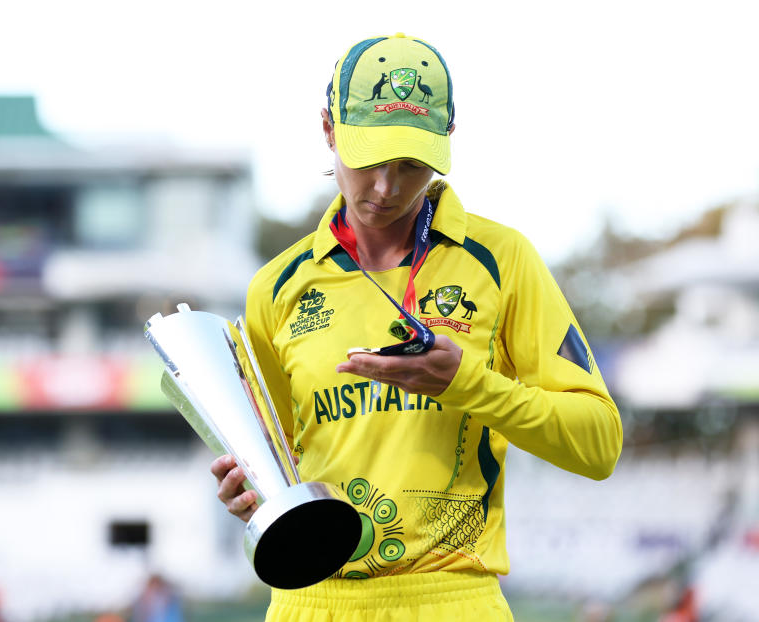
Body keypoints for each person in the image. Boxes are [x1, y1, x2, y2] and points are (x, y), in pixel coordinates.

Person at [211, 32, 622, 621]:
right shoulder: (274, 289)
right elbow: (277, 471)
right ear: (328, 129)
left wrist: (468, 384)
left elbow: (599, 444)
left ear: (446, 142)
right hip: (310, 603)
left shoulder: (502, 261)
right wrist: (250, 494)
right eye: (369, 158)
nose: (385, 187)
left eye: (410, 165)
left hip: (453, 601)